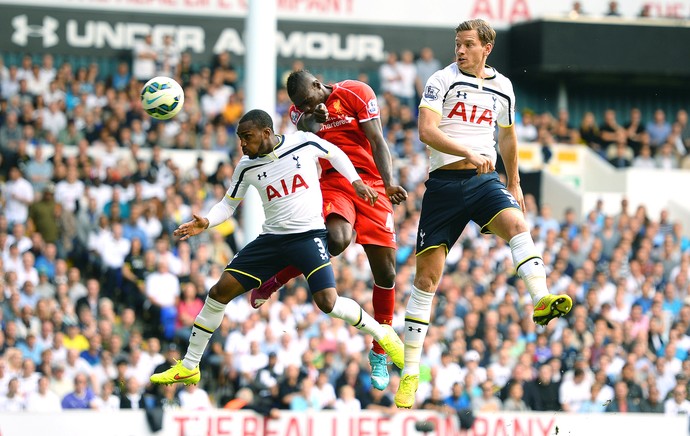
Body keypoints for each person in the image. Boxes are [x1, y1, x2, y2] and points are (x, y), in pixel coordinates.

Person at [149, 110, 403, 386]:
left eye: (247, 137)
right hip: (271, 240)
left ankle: (382, 334)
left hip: (308, 237)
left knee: (328, 303)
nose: (243, 144)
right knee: (218, 291)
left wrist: (355, 181)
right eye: (240, 139)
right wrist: (207, 221)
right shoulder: (246, 166)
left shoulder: (302, 143)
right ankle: (189, 366)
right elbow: (227, 205)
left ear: (266, 133)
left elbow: (335, 154)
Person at [393, 19, 572, 409]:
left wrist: (516, 182)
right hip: (442, 186)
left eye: (468, 44)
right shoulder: (441, 80)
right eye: (457, 43)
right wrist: (467, 152)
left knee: (517, 224)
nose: (460, 50)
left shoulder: (503, 86)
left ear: (486, 47)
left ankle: (540, 298)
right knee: (426, 279)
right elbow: (425, 129)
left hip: (484, 181)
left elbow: (507, 136)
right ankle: (409, 372)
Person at [249, 69, 408, 391]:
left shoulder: (357, 93)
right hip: (334, 183)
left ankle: (379, 352)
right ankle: (277, 279)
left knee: (387, 275)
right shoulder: (302, 111)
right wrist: (314, 119)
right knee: (335, 241)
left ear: (319, 85)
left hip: (373, 184)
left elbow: (377, 139)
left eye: (309, 101)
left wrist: (389, 184)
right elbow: (306, 131)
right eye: (301, 105)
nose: (305, 108)